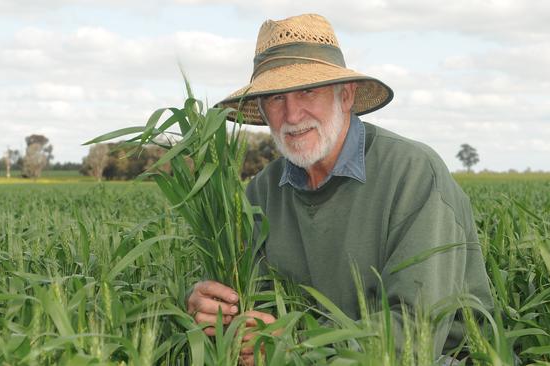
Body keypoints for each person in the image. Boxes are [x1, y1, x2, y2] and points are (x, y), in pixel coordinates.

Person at [188, 13, 493, 364]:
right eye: (275, 98)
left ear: (345, 96)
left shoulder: (412, 173)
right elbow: (247, 300)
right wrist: (207, 304)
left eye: (307, 90)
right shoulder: (261, 192)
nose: (292, 114)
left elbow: (415, 335)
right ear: (261, 109)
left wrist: (294, 348)